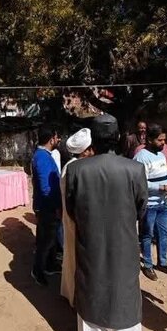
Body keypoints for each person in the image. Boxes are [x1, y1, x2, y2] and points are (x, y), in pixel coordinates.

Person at [65, 114, 150, 331]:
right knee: (124, 294)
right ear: (118, 138)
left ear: (93, 140)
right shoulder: (135, 169)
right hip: (123, 242)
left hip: (90, 242)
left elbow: (71, 209)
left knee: (93, 291)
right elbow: (141, 208)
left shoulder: (76, 170)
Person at [134, 124, 167, 281]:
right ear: (149, 139)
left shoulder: (161, 156)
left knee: (163, 234)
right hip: (149, 205)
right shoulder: (141, 157)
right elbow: (140, 183)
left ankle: (163, 263)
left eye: (164, 140)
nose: (163, 143)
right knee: (147, 235)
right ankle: (148, 265)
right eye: (160, 140)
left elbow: (165, 174)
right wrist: (163, 187)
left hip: (162, 203)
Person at [60, 128, 93, 307]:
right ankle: (74, 296)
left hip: (70, 217)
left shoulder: (69, 166)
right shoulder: (75, 168)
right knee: (75, 258)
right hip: (75, 219)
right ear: (85, 151)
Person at [31, 125, 62, 286]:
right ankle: (38, 270)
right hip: (46, 207)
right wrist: (55, 207)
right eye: (56, 137)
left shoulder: (44, 155)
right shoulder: (42, 157)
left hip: (49, 206)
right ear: (51, 139)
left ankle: (50, 265)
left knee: (50, 239)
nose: (58, 140)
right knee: (45, 240)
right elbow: (45, 188)